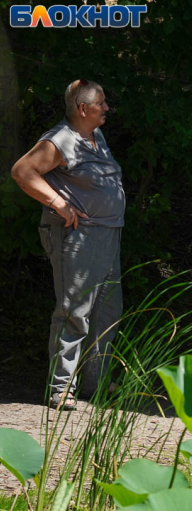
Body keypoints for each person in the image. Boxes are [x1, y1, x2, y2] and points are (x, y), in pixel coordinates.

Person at [12, 80, 124, 411]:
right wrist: (58, 203)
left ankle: (95, 383)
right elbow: (23, 171)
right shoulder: (60, 139)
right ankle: (60, 387)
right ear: (83, 108)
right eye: (101, 103)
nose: (107, 107)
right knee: (75, 311)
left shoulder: (95, 135)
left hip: (107, 234)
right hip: (78, 235)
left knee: (106, 312)